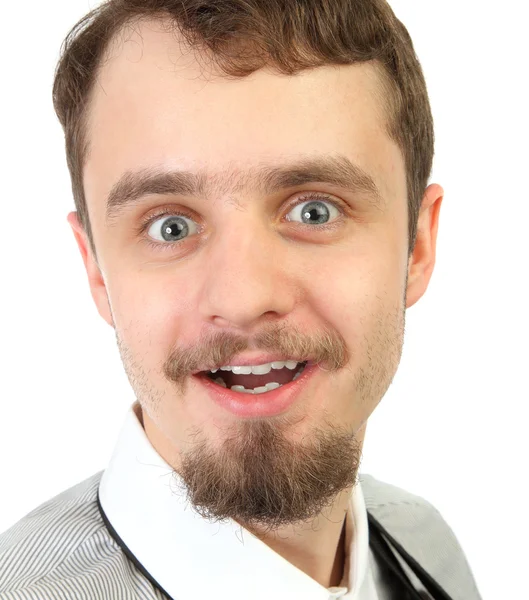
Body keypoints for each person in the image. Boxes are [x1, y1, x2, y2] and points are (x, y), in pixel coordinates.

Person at [0, 1, 483, 599]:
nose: (245, 297)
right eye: (169, 226)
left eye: (315, 210)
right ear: (96, 270)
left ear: (417, 245)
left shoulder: (429, 547)